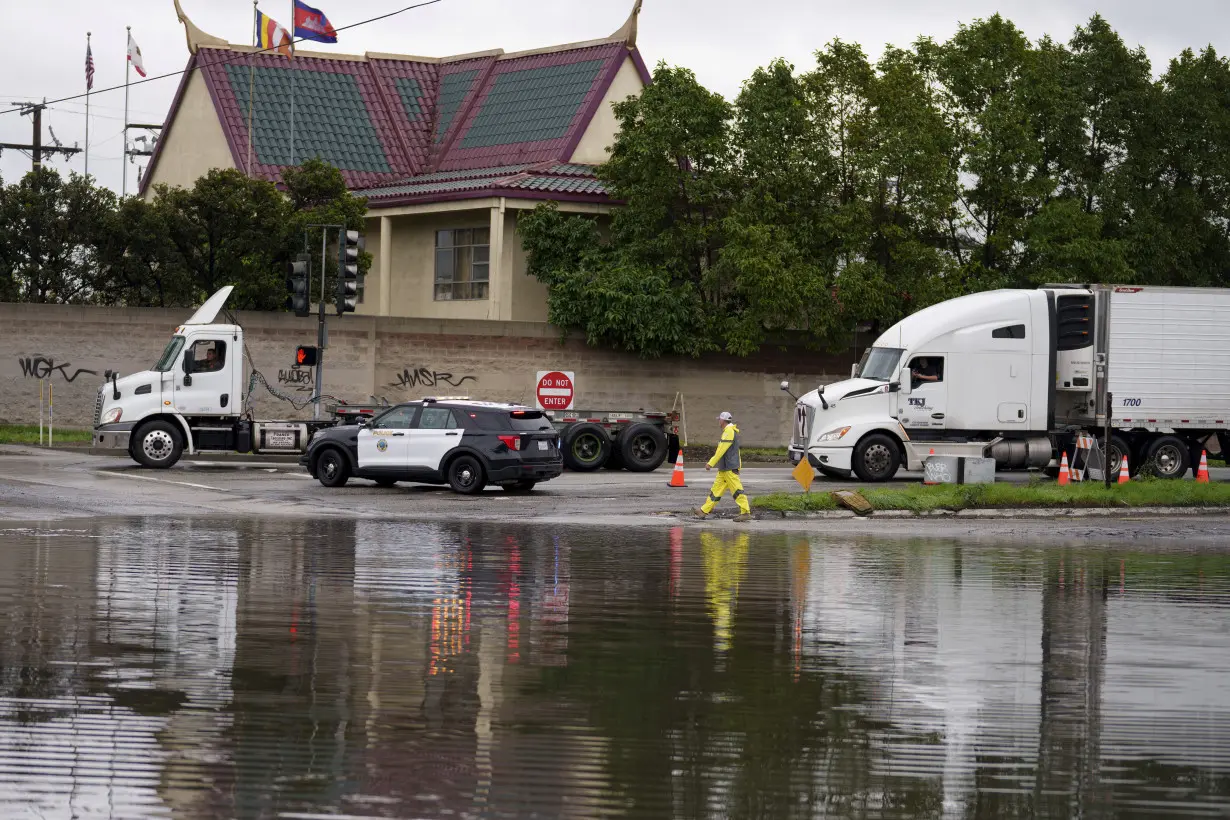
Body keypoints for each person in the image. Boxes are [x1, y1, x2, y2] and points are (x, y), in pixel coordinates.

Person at [696, 411, 752, 522]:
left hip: (730, 468)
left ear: (722, 420)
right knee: (716, 490)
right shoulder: (729, 431)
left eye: (719, 420)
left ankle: (745, 512)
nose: (718, 421)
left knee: (737, 490)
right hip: (725, 468)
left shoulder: (729, 431)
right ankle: (703, 511)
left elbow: (721, 450)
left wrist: (710, 463)